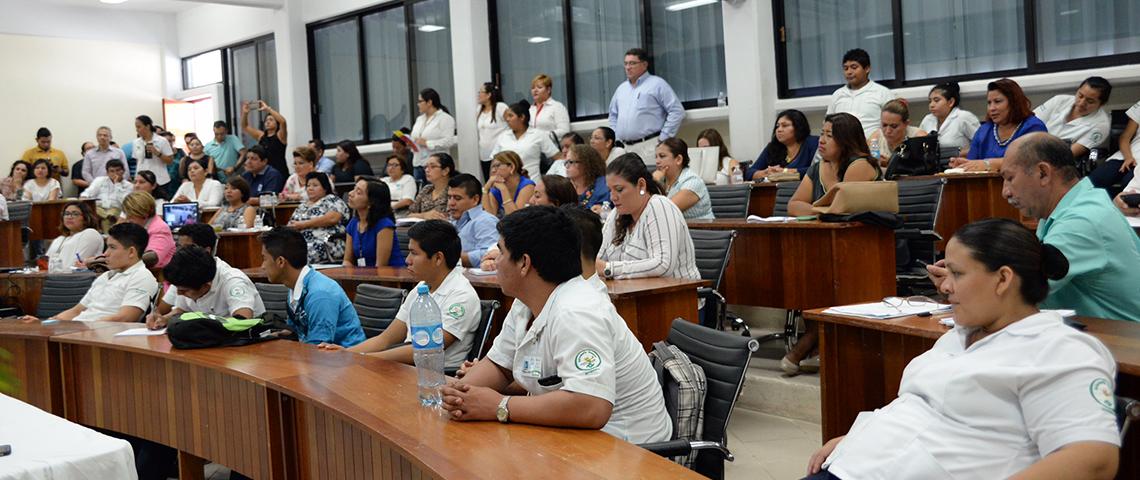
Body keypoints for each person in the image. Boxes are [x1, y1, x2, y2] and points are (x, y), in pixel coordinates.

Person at [808, 218, 1120, 480]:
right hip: (856, 467)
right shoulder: (960, 334)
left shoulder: (1058, 350)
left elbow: (1094, 459)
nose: (944, 286)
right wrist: (859, 440)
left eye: (957, 274)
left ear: (1002, 279)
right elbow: (920, 408)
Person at [442, 206, 672, 444]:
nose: (495, 262)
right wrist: (456, 395)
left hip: (629, 447)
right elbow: (500, 366)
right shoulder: (526, 303)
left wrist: (500, 405)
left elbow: (591, 406)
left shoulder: (577, 311)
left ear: (524, 263)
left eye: (500, 252)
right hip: (575, 436)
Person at [930, 133, 1140, 322]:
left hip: (1121, 347)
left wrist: (960, 281)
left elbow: (1014, 293)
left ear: (1043, 173)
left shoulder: (1082, 220)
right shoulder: (1064, 210)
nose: (1006, 192)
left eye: (1010, 178)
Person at [320, 220, 480, 369]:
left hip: (438, 377)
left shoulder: (461, 295)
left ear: (438, 258)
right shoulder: (422, 287)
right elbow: (385, 339)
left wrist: (362, 358)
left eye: (414, 253)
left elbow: (427, 350)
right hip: (407, 370)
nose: (407, 260)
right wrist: (346, 353)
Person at [19, 223, 157, 323]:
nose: (106, 253)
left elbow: (126, 317)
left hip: (102, 336)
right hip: (81, 330)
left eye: (112, 248)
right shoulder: (105, 276)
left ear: (132, 252)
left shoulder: (141, 277)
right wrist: (45, 323)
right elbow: (76, 311)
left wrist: (81, 327)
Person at [596, 154, 700, 280]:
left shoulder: (659, 206)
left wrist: (609, 269)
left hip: (677, 296)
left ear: (641, 185)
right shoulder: (616, 214)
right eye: (610, 191)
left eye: (619, 189)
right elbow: (597, 259)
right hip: (632, 294)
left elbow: (662, 264)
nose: (613, 197)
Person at [259, 227, 365, 347]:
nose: (262, 266)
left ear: (281, 262)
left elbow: (317, 347)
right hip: (318, 357)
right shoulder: (294, 285)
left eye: (264, 259)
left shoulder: (320, 294)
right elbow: (295, 333)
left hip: (346, 360)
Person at [147, 245, 266, 330]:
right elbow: (182, 309)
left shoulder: (233, 281)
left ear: (206, 285)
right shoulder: (188, 277)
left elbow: (243, 320)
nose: (178, 294)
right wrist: (164, 319)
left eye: (183, 291)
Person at [788, 113, 884, 217]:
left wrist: (814, 210)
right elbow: (793, 206)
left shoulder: (860, 165)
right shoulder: (817, 167)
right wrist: (823, 211)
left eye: (829, 136)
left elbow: (841, 208)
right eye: (821, 134)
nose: (821, 141)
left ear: (846, 140)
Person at [949, 78, 1048, 172]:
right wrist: (963, 165)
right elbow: (973, 162)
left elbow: (1031, 162)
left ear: (1014, 103)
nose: (992, 108)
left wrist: (988, 164)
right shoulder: (984, 131)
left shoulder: (1033, 127)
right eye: (989, 103)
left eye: (997, 102)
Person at [608, 48, 685, 167]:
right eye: (626, 63)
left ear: (644, 65)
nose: (628, 67)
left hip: (649, 146)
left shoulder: (657, 84)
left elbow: (677, 111)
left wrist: (663, 139)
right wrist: (616, 138)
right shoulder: (621, 89)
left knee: (649, 182)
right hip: (623, 148)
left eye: (632, 63)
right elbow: (613, 115)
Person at [1035, 76, 1112, 159]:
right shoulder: (1059, 100)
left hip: (1055, 160)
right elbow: (1030, 123)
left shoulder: (1101, 125)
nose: (1082, 103)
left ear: (1101, 104)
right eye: (1080, 95)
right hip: (1032, 145)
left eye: (1090, 101)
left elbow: (1069, 154)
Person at [825, 48, 894, 138]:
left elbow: (893, 125)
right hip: (843, 148)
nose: (849, 72)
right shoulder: (837, 95)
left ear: (867, 69)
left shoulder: (882, 93)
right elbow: (828, 125)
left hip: (872, 148)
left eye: (854, 67)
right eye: (845, 68)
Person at [287, 172, 350, 264]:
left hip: (327, 242)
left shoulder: (332, 200)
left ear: (325, 188)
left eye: (315, 185)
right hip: (301, 242)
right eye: (308, 185)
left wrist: (303, 224)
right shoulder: (302, 205)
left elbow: (332, 218)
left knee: (298, 253)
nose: (310, 188)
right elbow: (291, 223)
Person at [343, 178, 405, 267]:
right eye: (354, 189)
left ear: (371, 202)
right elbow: (347, 261)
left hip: (390, 277)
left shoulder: (384, 225)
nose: (350, 193)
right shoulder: (353, 223)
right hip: (363, 276)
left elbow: (381, 266)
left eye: (358, 192)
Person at [488, 100, 559, 177]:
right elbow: (494, 161)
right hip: (507, 184)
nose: (507, 119)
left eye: (511, 116)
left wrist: (549, 177)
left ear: (522, 117)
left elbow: (559, 157)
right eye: (507, 117)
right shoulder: (503, 136)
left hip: (532, 183)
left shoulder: (538, 135)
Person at [652, 138, 713, 220]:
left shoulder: (692, 181)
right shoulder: (662, 180)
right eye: (656, 157)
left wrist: (653, 182)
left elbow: (664, 211)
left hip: (701, 231)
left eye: (662, 156)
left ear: (678, 159)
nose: (657, 161)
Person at [749, 110, 819, 181]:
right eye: (777, 126)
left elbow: (819, 170)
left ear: (798, 126)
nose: (779, 130)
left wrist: (786, 172)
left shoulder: (813, 142)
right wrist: (765, 173)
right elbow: (749, 173)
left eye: (785, 125)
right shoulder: (772, 147)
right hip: (776, 190)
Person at [447, 173, 499, 267]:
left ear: (475, 199)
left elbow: (491, 254)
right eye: (449, 197)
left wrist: (451, 258)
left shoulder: (485, 221)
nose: (451, 203)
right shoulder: (452, 221)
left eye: (457, 198)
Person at [918, 82, 981, 158]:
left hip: (962, 164)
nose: (931, 105)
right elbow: (919, 146)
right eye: (930, 101)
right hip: (933, 166)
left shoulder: (964, 117)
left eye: (936, 100)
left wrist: (956, 154)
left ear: (951, 102)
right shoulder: (927, 119)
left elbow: (981, 145)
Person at [1090, 94, 1137, 192]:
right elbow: (1124, 137)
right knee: (1093, 181)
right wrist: (1128, 157)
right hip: (1127, 154)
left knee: (1129, 187)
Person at [410, 88, 458, 184]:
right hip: (418, 163)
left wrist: (427, 143)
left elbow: (449, 141)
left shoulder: (445, 119)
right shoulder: (419, 119)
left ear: (429, 102)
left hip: (435, 166)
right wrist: (411, 144)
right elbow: (415, 137)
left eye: (420, 101)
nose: (418, 104)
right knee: (421, 195)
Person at [866, 99, 929, 168]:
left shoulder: (919, 138)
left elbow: (924, 168)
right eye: (884, 125)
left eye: (894, 126)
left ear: (906, 124)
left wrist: (891, 163)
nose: (888, 131)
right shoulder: (876, 137)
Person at [43, 201, 104, 272]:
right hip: (52, 278)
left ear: (85, 218)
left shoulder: (90, 233)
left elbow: (76, 265)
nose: (69, 217)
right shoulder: (59, 239)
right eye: (66, 214)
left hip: (75, 280)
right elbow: (45, 264)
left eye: (75, 214)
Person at [121, 191, 176, 269]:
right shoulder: (138, 226)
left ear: (143, 213)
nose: (127, 219)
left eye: (131, 215)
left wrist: (122, 261)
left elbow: (152, 258)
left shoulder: (160, 229)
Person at [241, 100, 289, 177]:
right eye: (266, 120)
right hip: (264, 171)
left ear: (277, 123)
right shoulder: (261, 136)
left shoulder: (280, 135)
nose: (267, 122)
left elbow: (283, 122)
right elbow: (245, 126)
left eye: (271, 120)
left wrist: (268, 109)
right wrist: (245, 113)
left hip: (279, 170)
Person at [81, 159, 132, 231]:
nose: (115, 173)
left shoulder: (129, 186)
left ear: (123, 171)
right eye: (112, 171)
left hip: (115, 209)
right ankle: (107, 217)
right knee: (92, 210)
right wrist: (84, 196)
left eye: (118, 170)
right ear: (107, 173)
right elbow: (88, 192)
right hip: (99, 208)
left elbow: (124, 202)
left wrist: (117, 184)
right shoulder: (99, 180)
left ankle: (107, 236)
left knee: (109, 217)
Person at [483, 151, 536, 217]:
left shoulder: (527, 186)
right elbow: (489, 218)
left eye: (497, 166)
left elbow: (516, 219)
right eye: (492, 167)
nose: (493, 171)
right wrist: (485, 189)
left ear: (511, 167)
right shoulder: (496, 189)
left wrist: (503, 190)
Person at [131, 115, 175, 190]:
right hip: (142, 181)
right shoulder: (136, 142)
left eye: (139, 127)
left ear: (147, 126)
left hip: (160, 180)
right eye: (136, 127)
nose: (137, 130)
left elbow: (170, 161)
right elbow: (137, 161)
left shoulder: (162, 141)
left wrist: (158, 153)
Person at [476, 82, 510, 181]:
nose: (478, 95)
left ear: (489, 94)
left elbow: (512, 123)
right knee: (489, 183)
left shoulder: (500, 107)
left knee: (501, 182)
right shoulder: (479, 110)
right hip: (484, 155)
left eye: (480, 92)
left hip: (500, 154)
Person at [408, 152, 456, 220]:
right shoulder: (426, 189)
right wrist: (424, 215)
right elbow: (409, 215)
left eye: (433, 166)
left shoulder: (454, 190)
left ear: (445, 171)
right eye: (426, 167)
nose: (427, 170)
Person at [566, 144, 611, 210]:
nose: (567, 166)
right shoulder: (564, 185)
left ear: (586, 163)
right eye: (566, 162)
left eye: (570, 162)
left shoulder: (603, 185)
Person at [529, 74, 571, 142]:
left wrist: (541, 136)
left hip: (552, 148)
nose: (535, 90)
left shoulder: (557, 106)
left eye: (539, 87)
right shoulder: (530, 109)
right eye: (533, 88)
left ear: (548, 90)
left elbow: (564, 131)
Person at [159, 131, 185, 199]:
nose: (168, 143)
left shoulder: (180, 152)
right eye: (165, 141)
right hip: (161, 187)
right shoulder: (156, 155)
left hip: (176, 186)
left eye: (170, 141)